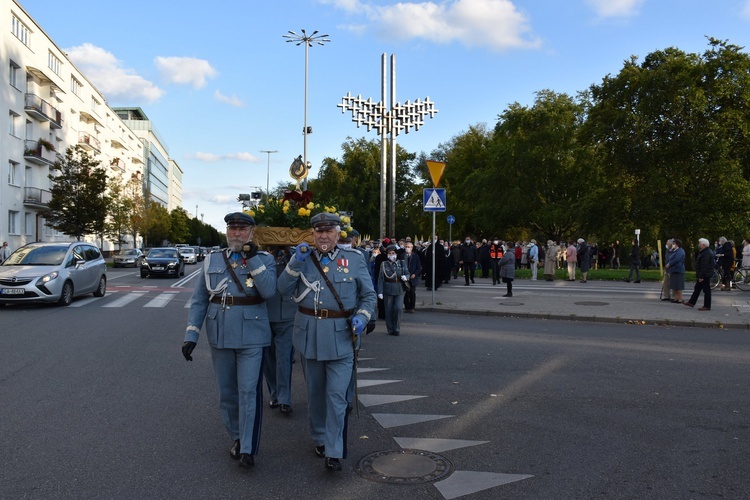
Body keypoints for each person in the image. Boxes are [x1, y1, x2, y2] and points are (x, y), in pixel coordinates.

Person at [277, 212, 376, 471]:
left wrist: (363, 318)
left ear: (338, 233)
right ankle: (320, 436)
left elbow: (368, 296)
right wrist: (294, 263)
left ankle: (334, 450)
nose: (323, 236)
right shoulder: (301, 258)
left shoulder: (355, 259)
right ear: (312, 234)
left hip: (342, 336)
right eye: (318, 231)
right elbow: (282, 290)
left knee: (336, 395)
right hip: (309, 335)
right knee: (316, 394)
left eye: (329, 231)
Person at [181, 212, 277, 469]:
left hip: (252, 335)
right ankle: (236, 436)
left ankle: (248, 448)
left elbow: (268, 291)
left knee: (248, 391)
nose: (236, 233)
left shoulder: (265, 260)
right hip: (220, 334)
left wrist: (253, 258)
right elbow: (200, 299)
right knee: (227, 394)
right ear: (226, 232)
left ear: (251, 233)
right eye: (232, 229)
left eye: (242, 229)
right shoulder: (212, 259)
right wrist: (192, 334)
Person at [263, 247, 296, 414]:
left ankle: (284, 398)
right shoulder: (260, 256)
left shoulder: (292, 256)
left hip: (287, 314)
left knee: (284, 358)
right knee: (268, 360)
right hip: (264, 314)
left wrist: (290, 253)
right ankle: (275, 393)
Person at [377, 245, 409, 335]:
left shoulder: (402, 263)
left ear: (396, 254)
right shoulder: (384, 264)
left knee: (398, 309)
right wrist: (380, 291)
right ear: (387, 255)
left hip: (399, 289)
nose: (392, 255)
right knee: (389, 310)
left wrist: (405, 277)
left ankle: (397, 328)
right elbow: (380, 279)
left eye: (393, 253)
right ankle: (390, 329)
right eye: (390, 253)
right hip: (388, 289)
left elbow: (407, 273)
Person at [684, 238, 714, 311]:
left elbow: (704, 265)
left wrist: (701, 276)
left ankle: (707, 306)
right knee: (697, 288)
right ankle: (691, 302)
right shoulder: (705, 251)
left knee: (706, 290)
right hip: (704, 274)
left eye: (699, 243)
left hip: (705, 275)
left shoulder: (706, 253)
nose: (699, 245)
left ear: (703, 245)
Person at [403, 241, 421, 313]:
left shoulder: (415, 256)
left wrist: (415, 274)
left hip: (412, 277)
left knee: (412, 292)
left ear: (412, 248)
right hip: (404, 277)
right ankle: (407, 307)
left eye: (408, 247)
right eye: (406, 247)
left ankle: (412, 307)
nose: (407, 248)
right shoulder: (402, 256)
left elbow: (418, 267)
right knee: (405, 293)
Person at [666, 238, 685, 304]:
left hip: (678, 270)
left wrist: (669, 264)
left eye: (674, 243)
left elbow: (677, 259)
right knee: (675, 286)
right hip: (674, 270)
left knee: (678, 286)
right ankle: (676, 298)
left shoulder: (680, 251)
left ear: (677, 244)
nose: (673, 245)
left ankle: (680, 299)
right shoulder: (675, 250)